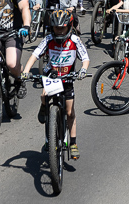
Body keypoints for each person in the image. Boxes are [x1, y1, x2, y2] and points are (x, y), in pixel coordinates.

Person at [22, 9, 89, 159]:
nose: (59, 31)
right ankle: (44, 107)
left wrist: (83, 70)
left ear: (69, 26)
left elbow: (85, 58)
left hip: (68, 79)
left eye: (62, 28)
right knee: (44, 95)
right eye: (56, 28)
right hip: (52, 76)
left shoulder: (75, 40)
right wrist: (26, 71)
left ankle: (72, 143)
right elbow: (34, 55)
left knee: (70, 112)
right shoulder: (48, 39)